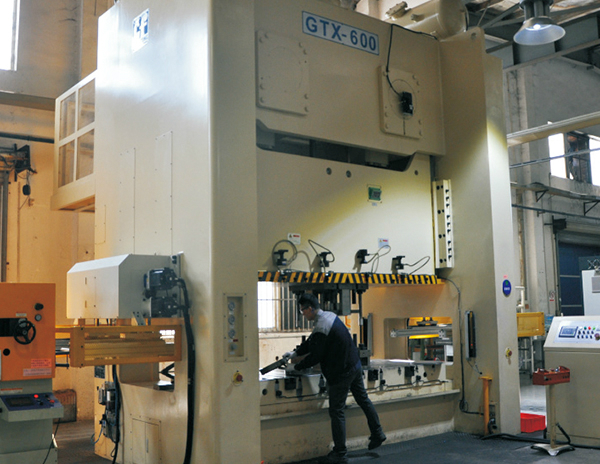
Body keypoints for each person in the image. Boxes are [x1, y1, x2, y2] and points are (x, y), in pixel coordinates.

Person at [284, 293, 386, 464]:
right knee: (363, 399)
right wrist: (294, 353)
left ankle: (340, 453)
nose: (303, 314)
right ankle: (378, 432)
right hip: (354, 365)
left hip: (341, 373)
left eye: (303, 311)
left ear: (310, 309)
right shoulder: (328, 316)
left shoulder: (322, 325)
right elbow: (312, 341)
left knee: (337, 411)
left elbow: (316, 355)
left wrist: (296, 367)